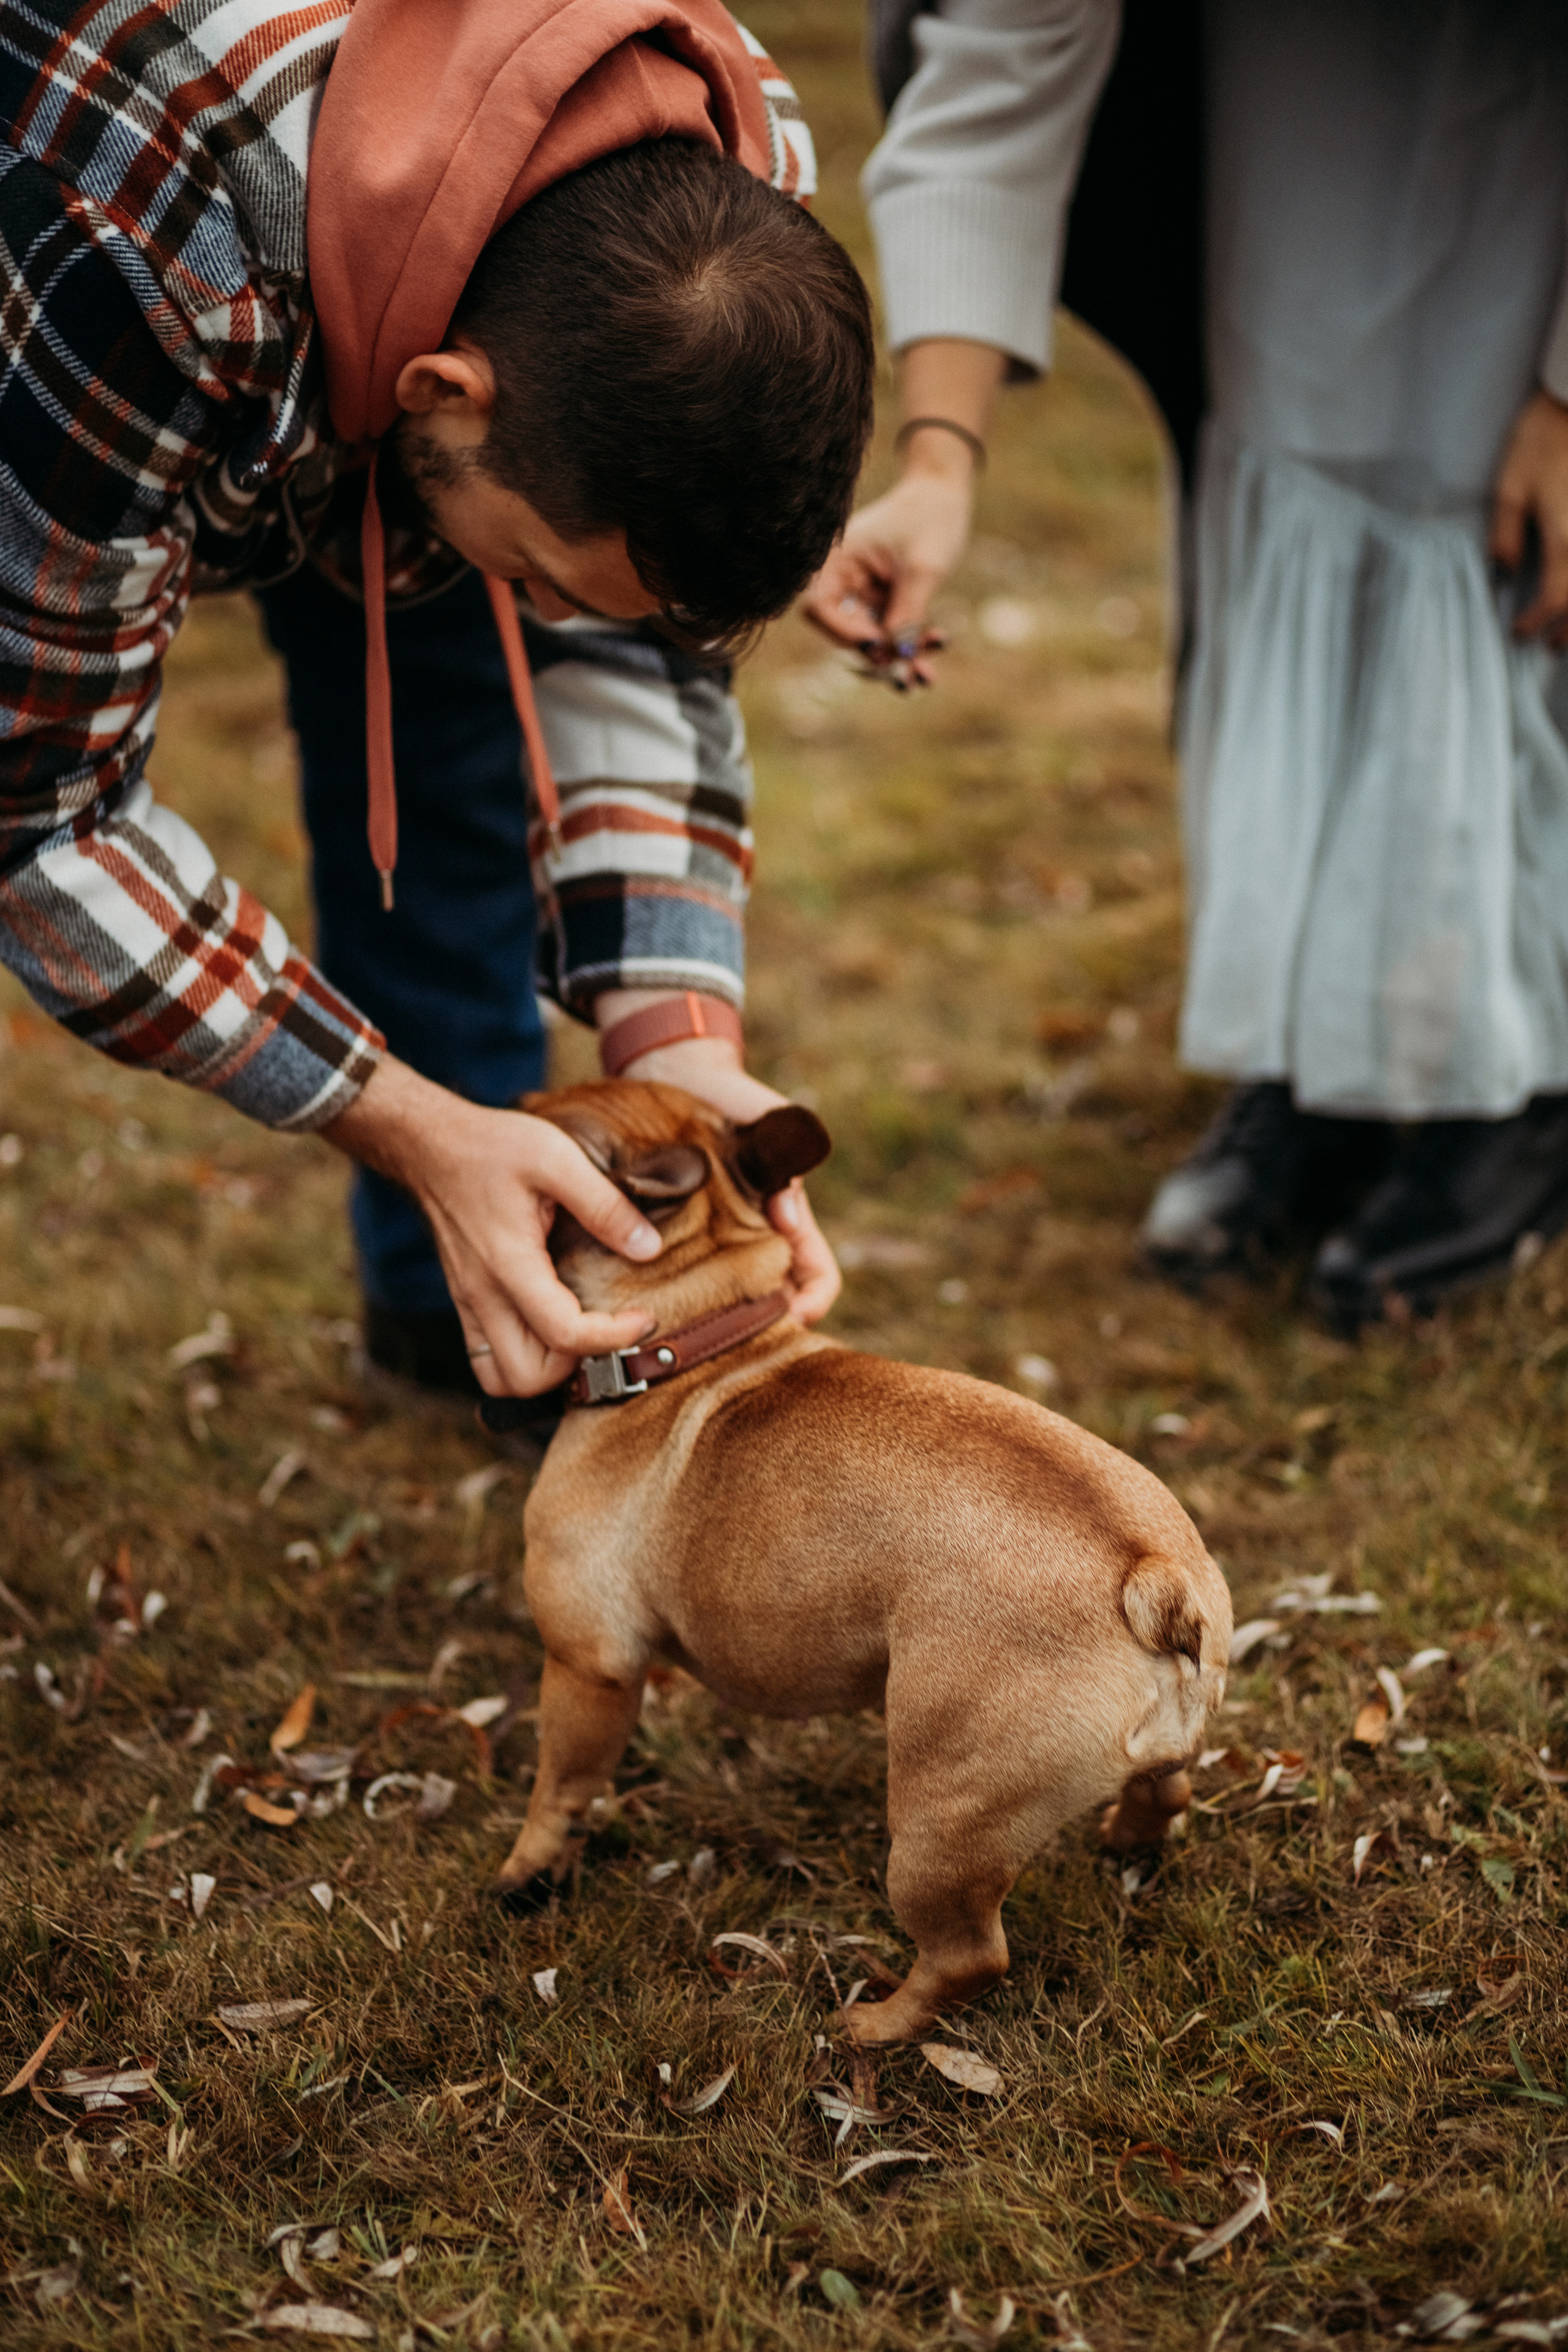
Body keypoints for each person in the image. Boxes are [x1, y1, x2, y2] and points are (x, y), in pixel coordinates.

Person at [0, 0, 873, 1400]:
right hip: (117, 295)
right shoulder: (137, 252)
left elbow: (645, 639)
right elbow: (39, 815)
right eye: (545, 583)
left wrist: (677, 1047)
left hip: (366, 332)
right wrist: (399, 1119)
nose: (557, 628)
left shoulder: (731, 193)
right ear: (442, 388)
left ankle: (461, 1304)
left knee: (465, 731)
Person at [807, 0, 1568, 1326]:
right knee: (1288, 464)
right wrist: (939, 461)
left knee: (1507, 541)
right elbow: (995, 78)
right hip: (1281, 118)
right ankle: (1321, 1057)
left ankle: (1522, 1080)